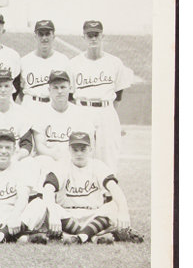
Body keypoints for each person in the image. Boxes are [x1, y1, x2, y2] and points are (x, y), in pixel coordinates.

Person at [42, 132, 139, 244]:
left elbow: (114, 188)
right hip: (68, 215)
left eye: (83, 149)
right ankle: (94, 236)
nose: (79, 153)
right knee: (48, 206)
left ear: (90, 149)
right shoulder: (61, 165)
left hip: (93, 215)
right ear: (69, 149)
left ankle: (77, 237)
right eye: (75, 149)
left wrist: (124, 212)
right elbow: (48, 189)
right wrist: (53, 215)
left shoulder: (98, 165)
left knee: (113, 206)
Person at [69, 20, 133, 172]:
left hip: (106, 109)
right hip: (82, 109)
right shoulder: (74, 63)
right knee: (82, 154)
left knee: (109, 156)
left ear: (102, 36)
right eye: (89, 35)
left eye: (96, 34)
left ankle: (108, 194)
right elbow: (70, 95)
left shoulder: (114, 63)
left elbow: (118, 95)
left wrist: (108, 111)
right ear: (83, 37)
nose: (93, 38)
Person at [32, 70, 92, 167]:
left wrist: (68, 158)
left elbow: (88, 145)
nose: (59, 91)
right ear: (49, 90)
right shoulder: (40, 112)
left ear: (70, 88)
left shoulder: (81, 113)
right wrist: (55, 156)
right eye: (55, 87)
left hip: (73, 160)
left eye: (63, 87)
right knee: (42, 160)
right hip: (49, 159)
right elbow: (40, 146)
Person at [19, 19, 71, 117]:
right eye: (41, 34)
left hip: (53, 107)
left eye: (47, 34)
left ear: (53, 36)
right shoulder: (24, 61)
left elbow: (69, 92)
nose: (44, 37)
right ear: (35, 36)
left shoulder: (63, 60)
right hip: (30, 106)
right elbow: (19, 89)